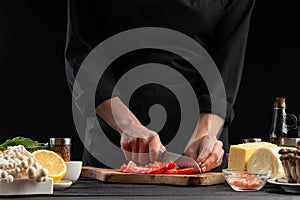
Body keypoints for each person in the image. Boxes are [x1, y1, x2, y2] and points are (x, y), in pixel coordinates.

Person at [65, 0, 256, 172]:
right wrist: (127, 125)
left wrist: (203, 135)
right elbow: (84, 55)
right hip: (113, 147)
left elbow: (227, 66)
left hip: (200, 155)